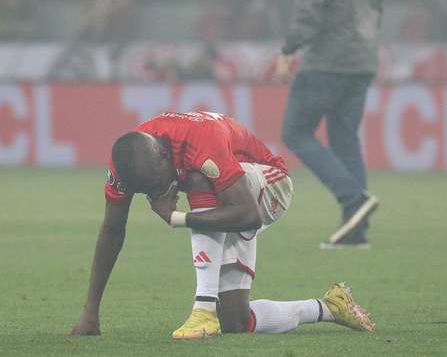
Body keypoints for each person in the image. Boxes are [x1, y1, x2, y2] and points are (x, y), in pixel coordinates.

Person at [70, 111, 374, 339]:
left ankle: (202, 309)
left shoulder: (200, 140)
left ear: (163, 155)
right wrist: (90, 312)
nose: (156, 192)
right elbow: (112, 230)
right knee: (235, 322)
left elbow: (248, 214)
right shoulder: (125, 164)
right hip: (227, 197)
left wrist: (176, 218)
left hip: (269, 186)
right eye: (145, 191)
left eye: (156, 183)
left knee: (197, 177)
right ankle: (330, 307)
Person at [276, 0, 382, 249]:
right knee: (343, 136)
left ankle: (353, 199)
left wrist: (290, 48)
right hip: (363, 55)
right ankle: (355, 232)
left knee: (295, 131)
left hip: (329, 58)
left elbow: (312, 0)